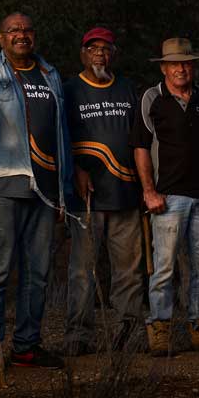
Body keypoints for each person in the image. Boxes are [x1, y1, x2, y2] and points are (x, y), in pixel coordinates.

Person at [0, 12, 70, 376]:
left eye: (27, 29)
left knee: (38, 272)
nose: (22, 35)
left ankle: (26, 346)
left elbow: (61, 132)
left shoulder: (49, 73)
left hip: (44, 187)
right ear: (0, 38)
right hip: (2, 182)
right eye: (14, 31)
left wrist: (63, 192)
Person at [130, 38, 199, 356]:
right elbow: (141, 148)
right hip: (167, 198)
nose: (181, 68)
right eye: (174, 63)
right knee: (164, 267)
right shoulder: (152, 98)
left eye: (186, 62)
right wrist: (148, 191)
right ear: (163, 67)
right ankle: (159, 327)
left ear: (194, 65)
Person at [63, 27, 143, 355]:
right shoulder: (69, 90)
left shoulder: (127, 88)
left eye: (106, 48)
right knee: (83, 270)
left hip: (126, 192)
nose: (100, 54)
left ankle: (129, 333)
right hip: (87, 195)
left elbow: (140, 138)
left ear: (114, 53)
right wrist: (77, 169)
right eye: (93, 48)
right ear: (83, 53)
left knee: (129, 269)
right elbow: (59, 135)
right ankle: (78, 336)